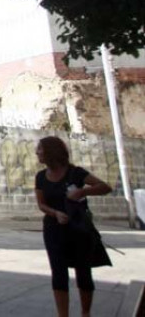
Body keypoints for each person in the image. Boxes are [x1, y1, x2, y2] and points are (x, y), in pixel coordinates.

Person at [34, 136, 111, 317]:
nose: (37, 152)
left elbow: (104, 186)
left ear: (51, 152)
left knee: (83, 272)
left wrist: (82, 191)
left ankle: (85, 313)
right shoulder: (41, 177)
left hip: (78, 230)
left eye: (40, 149)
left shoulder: (75, 173)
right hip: (54, 229)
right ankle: (63, 315)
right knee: (58, 272)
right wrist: (55, 213)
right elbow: (41, 204)